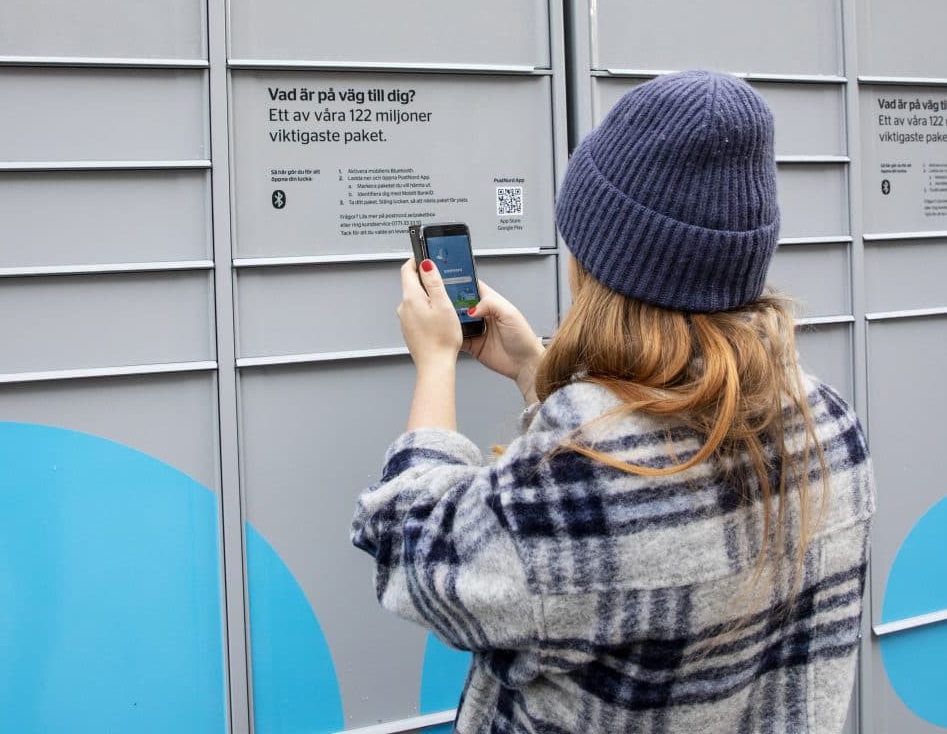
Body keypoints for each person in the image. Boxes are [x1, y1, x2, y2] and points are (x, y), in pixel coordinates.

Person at [350, 70, 874, 733]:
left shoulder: (590, 477)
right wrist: (536, 373)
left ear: (599, 258)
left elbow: (416, 554)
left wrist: (434, 364)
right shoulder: (829, 425)